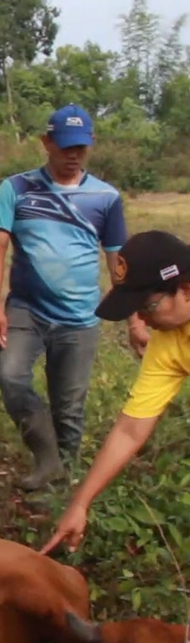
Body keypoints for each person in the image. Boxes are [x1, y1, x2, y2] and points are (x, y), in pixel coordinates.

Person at [0, 104, 149, 493]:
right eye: (65, 146)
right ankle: (47, 457)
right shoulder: (17, 188)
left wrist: (135, 321)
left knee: (69, 407)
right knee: (10, 376)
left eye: (80, 147)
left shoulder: (105, 197)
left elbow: (118, 262)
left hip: (81, 316)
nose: (73, 155)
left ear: (90, 145)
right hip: (26, 308)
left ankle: (62, 488)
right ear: (47, 142)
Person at [39, 230, 190, 555]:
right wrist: (80, 504)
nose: (142, 320)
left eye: (147, 307)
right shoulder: (169, 343)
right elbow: (130, 430)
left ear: (186, 291)